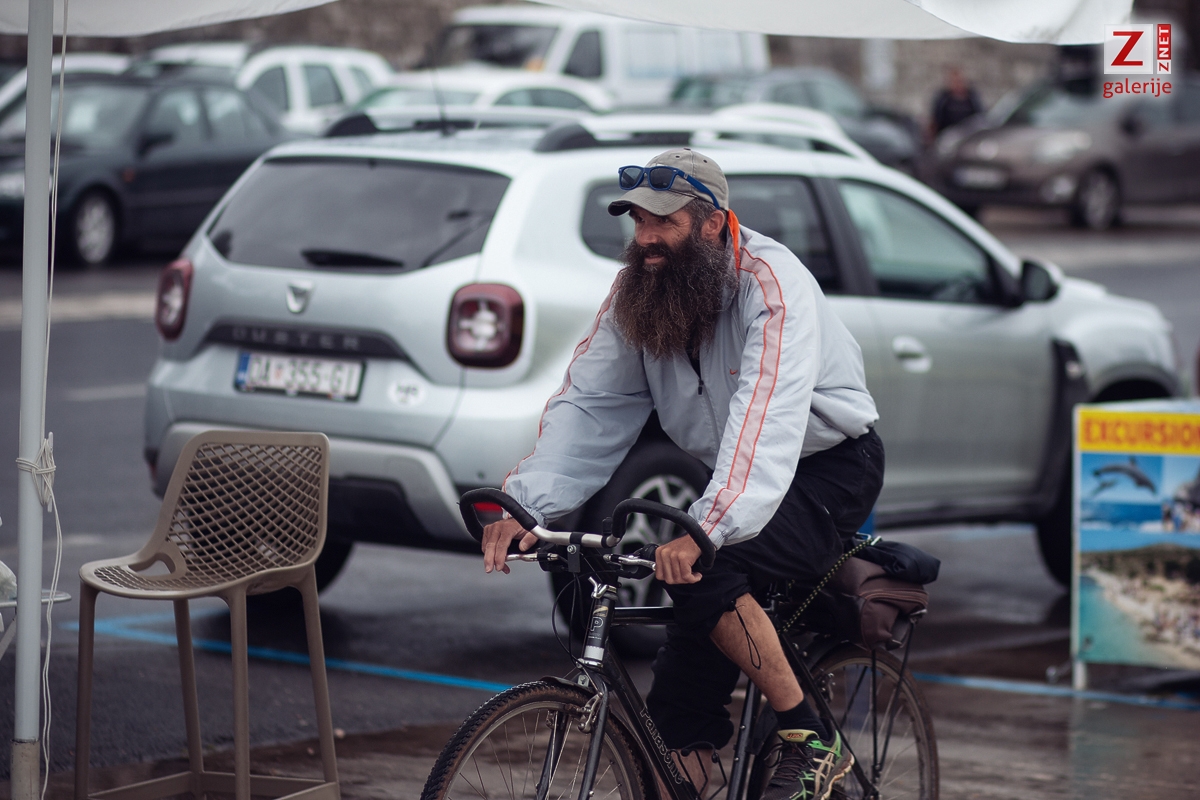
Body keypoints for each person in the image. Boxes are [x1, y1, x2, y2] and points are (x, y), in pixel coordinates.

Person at [481, 148, 883, 800]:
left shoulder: (772, 285)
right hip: (734, 476)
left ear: (713, 223)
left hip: (827, 471)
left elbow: (766, 418)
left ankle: (811, 739)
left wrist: (707, 526)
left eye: (663, 222)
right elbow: (591, 407)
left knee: (705, 560)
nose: (645, 238)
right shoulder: (640, 292)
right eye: (638, 221)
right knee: (673, 721)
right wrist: (525, 504)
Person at [930, 67, 982, 137]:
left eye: (959, 81)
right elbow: (936, 120)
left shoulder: (972, 97)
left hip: (969, 132)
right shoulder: (943, 99)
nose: (957, 84)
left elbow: (980, 116)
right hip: (949, 133)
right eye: (954, 81)